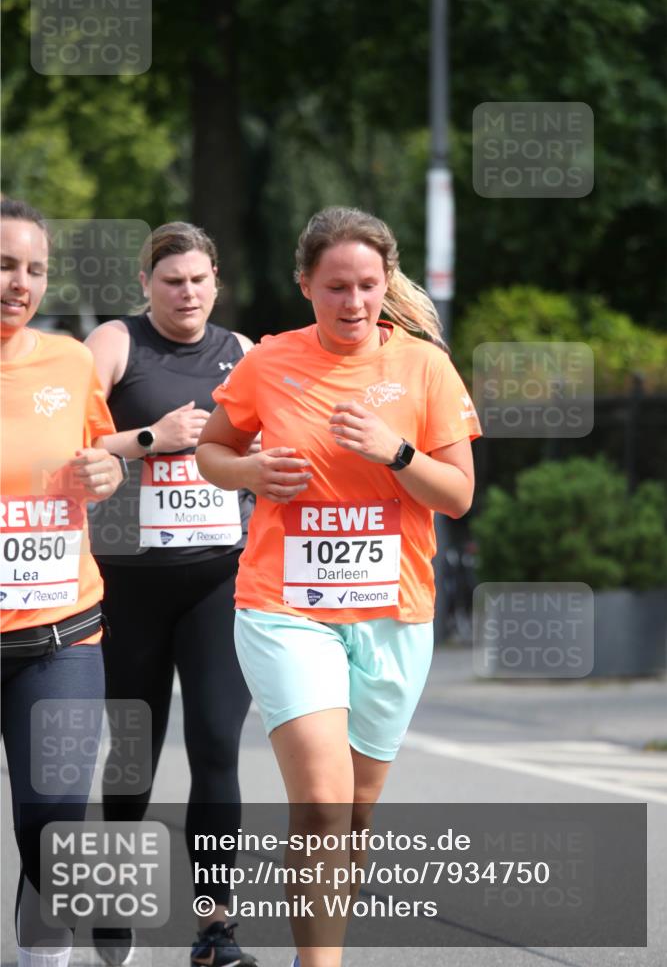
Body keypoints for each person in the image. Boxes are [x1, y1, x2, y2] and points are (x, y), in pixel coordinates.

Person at [196, 206, 482, 967]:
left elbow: (456, 495)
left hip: (393, 612)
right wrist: (250, 471)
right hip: (285, 608)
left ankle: (311, 950)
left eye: (365, 286)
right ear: (305, 287)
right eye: (334, 288)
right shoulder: (269, 362)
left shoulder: (424, 367)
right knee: (321, 806)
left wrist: (395, 452)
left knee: (353, 816)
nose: (352, 303)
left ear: (386, 283)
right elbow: (211, 451)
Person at [84, 222, 258, 967]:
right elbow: (66, 442)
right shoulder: (116, 344)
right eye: (170, 280)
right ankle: (116, 906)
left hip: (219, 576)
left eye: (197, 279)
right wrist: (150, 438)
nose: (186, 293)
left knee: (217, 745)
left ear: (216, 280)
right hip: (129, 583)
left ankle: (214, 927)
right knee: (132, 753)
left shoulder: (245, 353)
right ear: (147, 284)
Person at [1, 198, 125, 967]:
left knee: (55, 823)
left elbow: (96, 457)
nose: (20, 283)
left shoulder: (70, 361)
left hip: (60, 631)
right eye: (5, 266)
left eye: (35, 269)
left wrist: (106, 471)